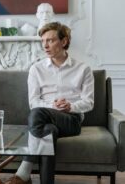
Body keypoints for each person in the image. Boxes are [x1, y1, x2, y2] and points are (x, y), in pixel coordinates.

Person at [5, 22, 94, 184]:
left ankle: (24, 172)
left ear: (64, 41)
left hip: (71, 120)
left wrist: (70, 106)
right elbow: (34, 102)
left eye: (51, 40)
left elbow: (89, 102)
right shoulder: (36, 69)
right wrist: (53, 106)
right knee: (48, 130)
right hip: (44, 120)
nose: (45, 45)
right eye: (43, 41)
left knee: (37, 113)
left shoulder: (83, 69)